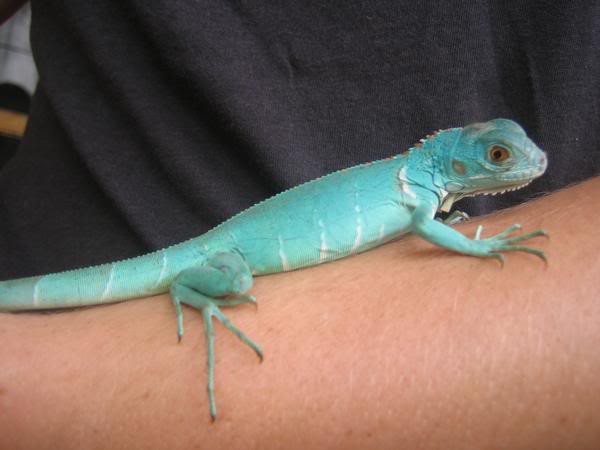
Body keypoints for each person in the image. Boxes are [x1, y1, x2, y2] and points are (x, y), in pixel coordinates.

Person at [0, 1, 599, 448]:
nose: (525, 165)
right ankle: (189, 291)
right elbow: (430, 233)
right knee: (232, 287)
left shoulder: (424, 188)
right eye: (499, 157)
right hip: (86, 316)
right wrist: (481, 245)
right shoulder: (420, 199)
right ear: (465, 160)